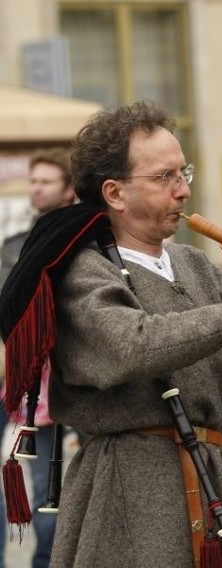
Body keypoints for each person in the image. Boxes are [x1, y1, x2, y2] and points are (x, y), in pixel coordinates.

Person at [0, 101, 222, 567]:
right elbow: (136, 345)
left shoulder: (194, 263)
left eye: (185, 173)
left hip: (214, 475)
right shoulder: (83, 272)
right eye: (165, 177)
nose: (183, 191)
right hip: (129, 486)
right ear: (115, 193)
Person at [0, 148, 76, 568]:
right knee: (39, 480)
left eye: (45, 181)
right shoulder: (15, 244)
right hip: (25, 376)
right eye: (33, 181)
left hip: (72, 376)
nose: (36, 189)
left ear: (68, 190)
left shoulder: (82, 239)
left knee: (68, 480)